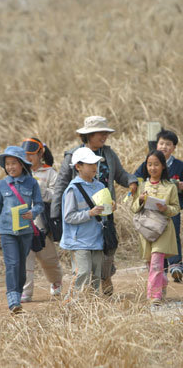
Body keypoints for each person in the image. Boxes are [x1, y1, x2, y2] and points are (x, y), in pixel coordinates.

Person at [51, 115, 138, 295]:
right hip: (81, 213)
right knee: (84, 261)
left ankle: (104, 280)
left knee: (107, 246)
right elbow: (61, 185)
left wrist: (132, 181)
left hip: (105, 211)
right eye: (100, 133)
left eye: (106, 133)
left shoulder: (108, 154)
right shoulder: (73, 156)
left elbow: (121, 174)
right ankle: (83, 295)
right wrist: (55, 213)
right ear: (89, 135)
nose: (104, 136)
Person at [0, 146, 44, 314]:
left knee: (21, 265)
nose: (10, 167)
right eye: (7, 164)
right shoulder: (2, 185)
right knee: (12, 263)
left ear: (22, 165)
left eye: (13, 163)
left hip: (25, 232)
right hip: (6, 231)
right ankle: (13, 299)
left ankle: (17, 292)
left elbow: (39, 204)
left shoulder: (32, 183)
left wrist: (33, 213)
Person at [131, 150, 180, 306]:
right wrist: (139, 200)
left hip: (163, 229)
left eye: (156, 164)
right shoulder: (142, 186)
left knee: (157, 263)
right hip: (146, 231)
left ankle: (154, 296)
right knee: (152, 264)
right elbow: (134, 208)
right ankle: (162, 282)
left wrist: (165, 208)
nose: (153, 168)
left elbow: (176, 208)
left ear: (163, 166)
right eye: (149, 164)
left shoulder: (170, 187)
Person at [135, 129, 183, 282]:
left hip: (170, 209)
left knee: (173, 234)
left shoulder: (180, 165)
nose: (164, 146)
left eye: (168, 144)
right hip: (150, 213)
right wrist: (137, 191)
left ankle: (176, 264)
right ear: (156, 145)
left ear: (174, 147)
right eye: (161, 143)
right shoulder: (147, 163)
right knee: (153, 236)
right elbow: (136, 177)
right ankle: (160, 269)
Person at [20, 138, 62, 302]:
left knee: (48, 259)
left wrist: (40, 192)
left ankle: (56, 282)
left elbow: (57, 194)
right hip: (23, 223)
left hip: (42, 223)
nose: (28, 157)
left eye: (31, 154)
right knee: (25, 259)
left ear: (40, 154)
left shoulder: (50, 172)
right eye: (25, 155)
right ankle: (26, 292)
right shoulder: (20, 172)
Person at [60, 147, 105, 297]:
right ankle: (70, 306)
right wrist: (89, 213)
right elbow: (68, 217)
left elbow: (104, 213)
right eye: (90, 164)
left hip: (97, 238)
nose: (94, 167)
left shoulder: (100, 186)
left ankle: (92, 308)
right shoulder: (72, 189)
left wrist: (110, 208)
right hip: (78, 240)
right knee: (83, 272)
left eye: (95, 163)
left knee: (96, 275)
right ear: (78, 167)